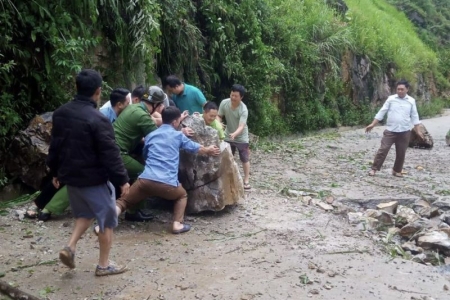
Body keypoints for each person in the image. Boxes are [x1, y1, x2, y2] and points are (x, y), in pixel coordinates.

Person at [47, 69, 130, 276]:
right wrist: (123, 180)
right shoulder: (98, 119)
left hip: (71, 178)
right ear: (98, 91)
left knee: (85, 214)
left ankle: (71, 247)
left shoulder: (60, 113)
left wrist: (55, 171)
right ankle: (104, 265)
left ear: (76, 87)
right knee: (107, 221)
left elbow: (55, 145)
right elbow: (110, 153)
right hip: (94, 179)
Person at [102, 107, 220, 235]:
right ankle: (177, 224)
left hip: (145, 181)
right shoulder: (178, 135)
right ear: (175, 122)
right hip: (167, 184)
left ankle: (106, 224)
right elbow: (195, 148)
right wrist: (208, 150)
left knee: (123, 201)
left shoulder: (151, 135)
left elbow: (145, 154)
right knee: (182, 195)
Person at [112, 86, 168, 222]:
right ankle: (133, 211)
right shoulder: (142, 115)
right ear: (157, 105)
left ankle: (50, 208)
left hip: (110, 150)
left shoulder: (133, 107)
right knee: (143, 174)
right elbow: (158, 137)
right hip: (118, 154)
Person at [365, 79, 423, 177]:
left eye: (402, 89)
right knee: (383, 150)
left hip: (404, 131)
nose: (400, 91)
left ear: (407, 89)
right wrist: (373, 124)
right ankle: (374, 169)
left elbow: (415, 116)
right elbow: (382, 112)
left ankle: (397, 170)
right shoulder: (391, 99)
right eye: (398, 89)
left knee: (401, 152)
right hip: (390, 130)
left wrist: (418, 131)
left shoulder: (411, 101)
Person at [218, 84, 251, 189]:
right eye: (232, 95)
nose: (233, 98)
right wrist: (219, 124)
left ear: (241, 97)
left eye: (236, 96)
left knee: (244, 158)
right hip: (227, 135)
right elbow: (219, 116)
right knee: (227, 157)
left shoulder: (243, 109)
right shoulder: (224, 103)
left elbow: (242, 126)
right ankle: (227, 178)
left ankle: (246, 180)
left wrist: (235, 134)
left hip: (241, 137)